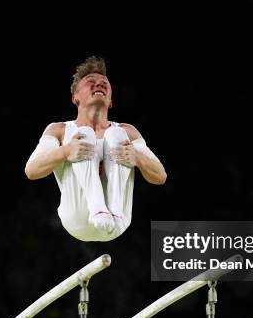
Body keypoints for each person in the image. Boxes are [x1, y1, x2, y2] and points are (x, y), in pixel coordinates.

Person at [25, 57, 166, 241]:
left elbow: (160, 176)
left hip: (118, 221)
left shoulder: (128, 132)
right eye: (90, 82)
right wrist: (66, 151)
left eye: (104, 83)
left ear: (111, 101)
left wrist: (137, 157)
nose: (98, 84)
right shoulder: (59, 130)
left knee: (117, 134)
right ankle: (97, 206)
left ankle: (112, 208)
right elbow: (31, 170)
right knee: (84, 134)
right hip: (78, 218)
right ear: (75, 97)